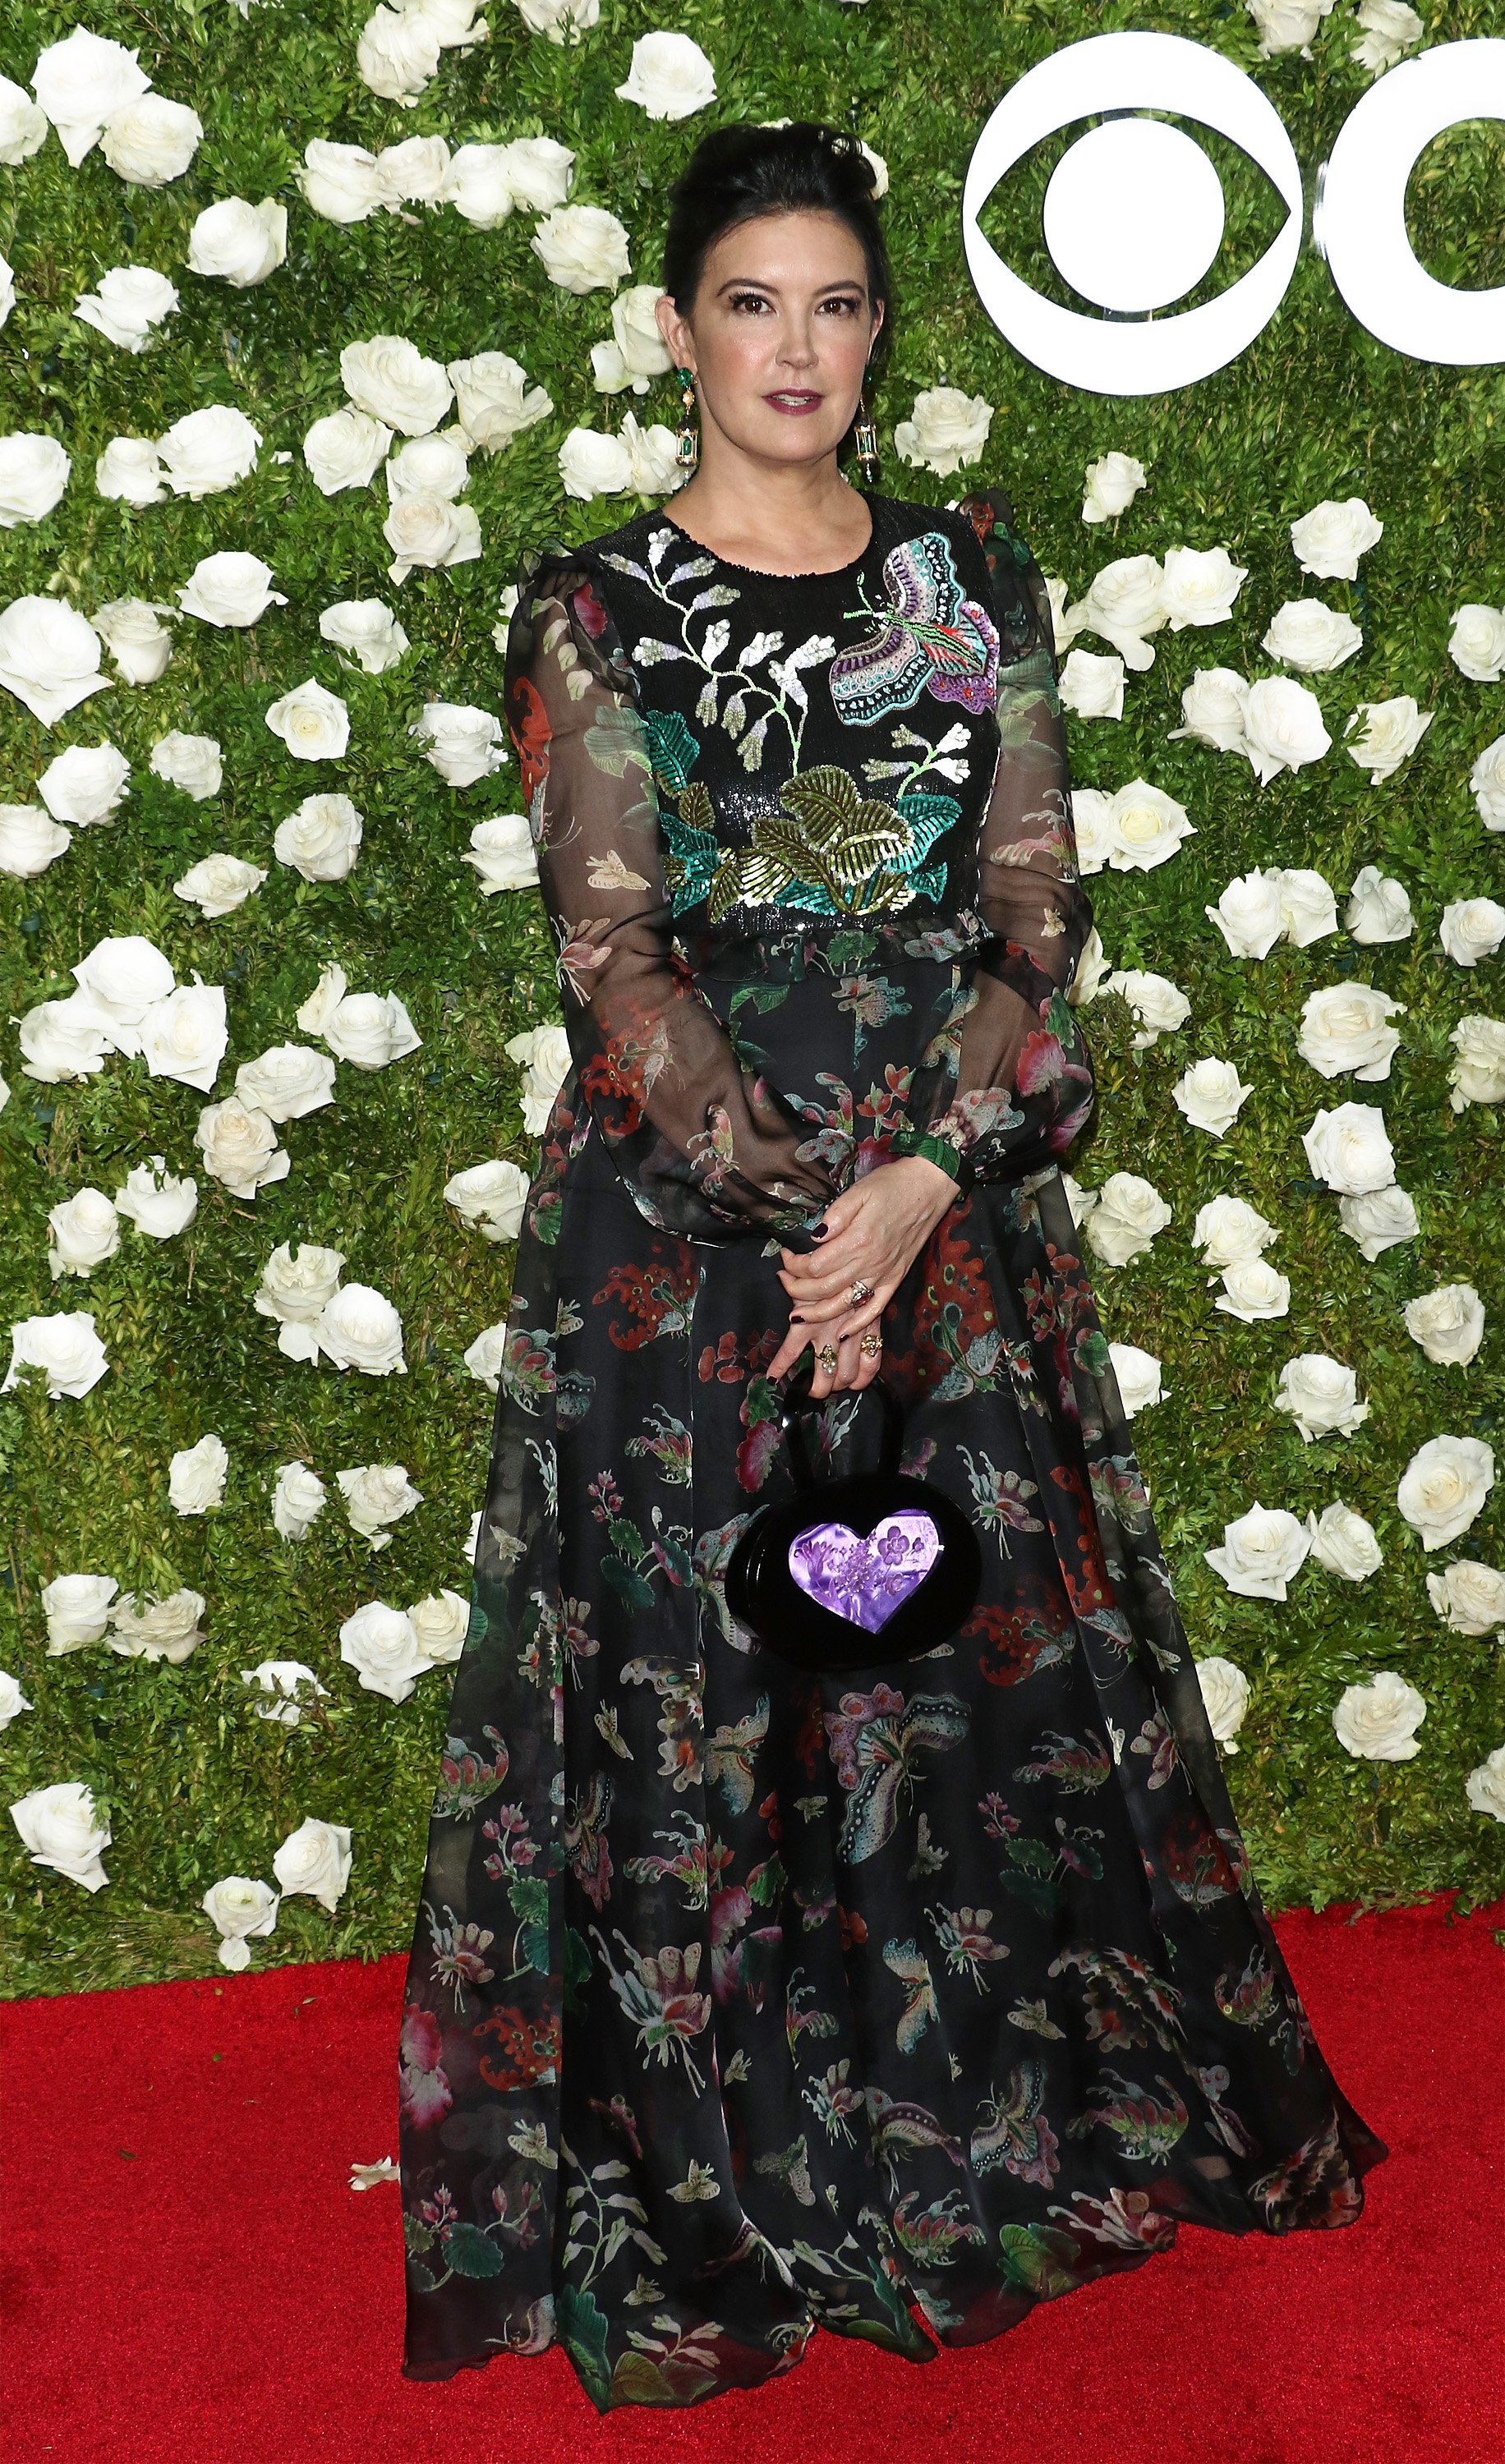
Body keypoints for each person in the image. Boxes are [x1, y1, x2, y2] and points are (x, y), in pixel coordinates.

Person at [396, 117, 1387, 2411]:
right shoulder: (595, 607)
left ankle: (977, 2126)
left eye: (836, 304)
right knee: (716, 1712)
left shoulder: (969, 576)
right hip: (687, 1254)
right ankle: (730, 2157)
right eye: (754, 303)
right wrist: (791, 1219)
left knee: (964, 1696)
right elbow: (612, 960)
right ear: (677, 330)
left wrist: (924, 1189)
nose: (799, 348)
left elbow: (1037, 926)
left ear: (876, 332)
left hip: (949, 1232)